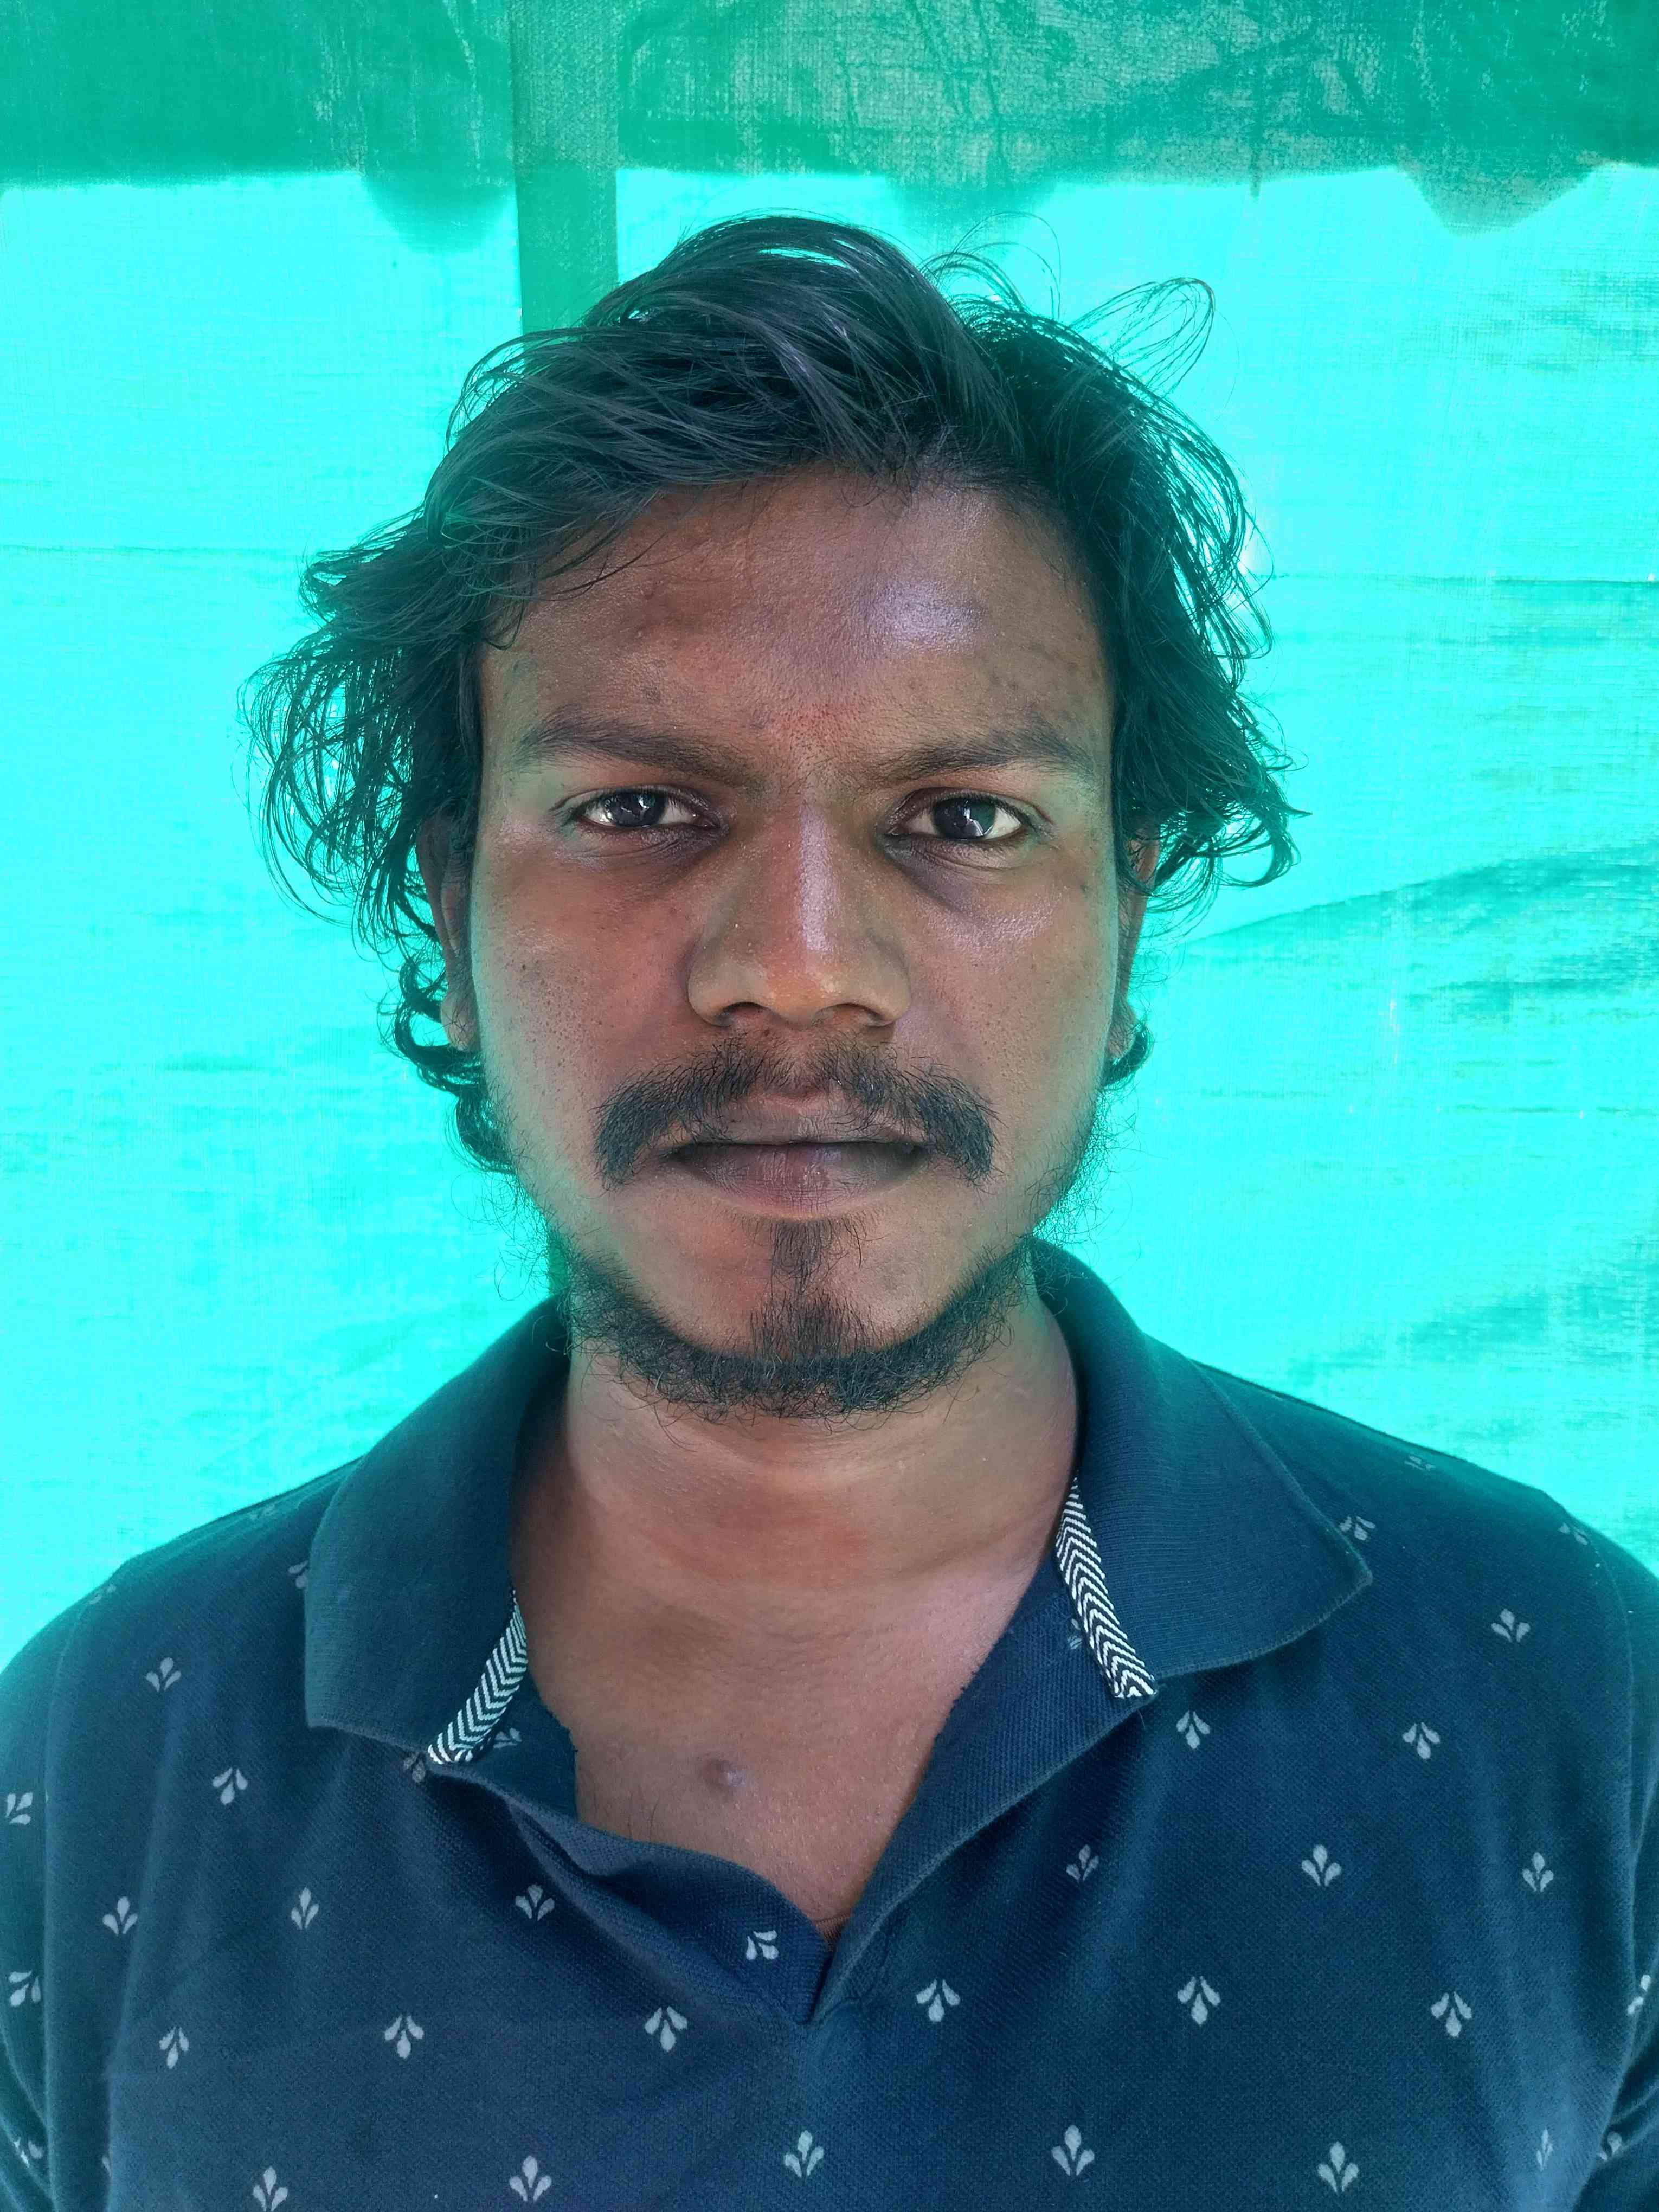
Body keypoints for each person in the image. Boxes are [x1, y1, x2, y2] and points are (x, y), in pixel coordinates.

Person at [2, 214, 1652, 2209]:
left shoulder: (1569, 1698)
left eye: (963, 818)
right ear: (450, 908)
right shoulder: (97, 1763)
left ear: (1126, 912)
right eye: (635, 809)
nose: (794, 968)